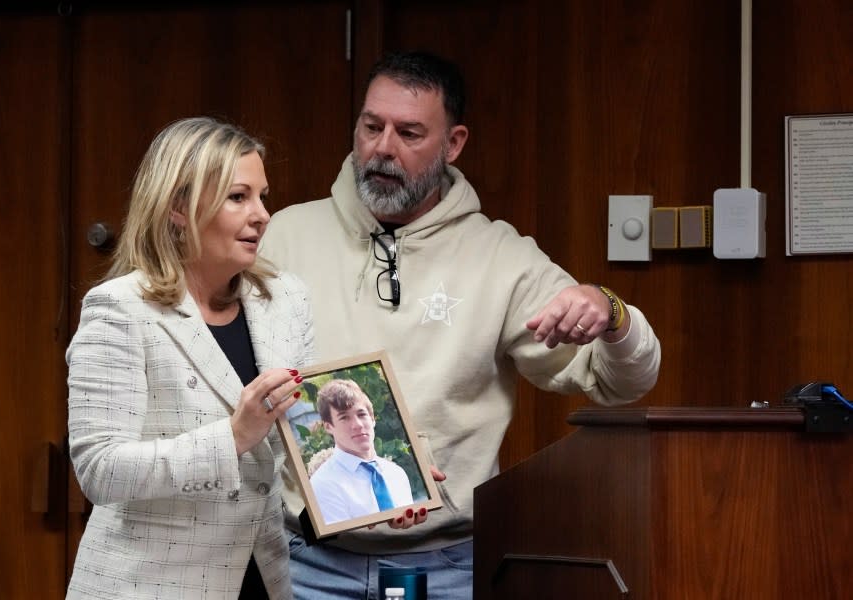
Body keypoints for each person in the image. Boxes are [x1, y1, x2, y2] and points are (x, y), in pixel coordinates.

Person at [260, 51, 661, 600]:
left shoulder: (501, 257)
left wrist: (611, 313)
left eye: (409, 132)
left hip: (446, 567)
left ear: (453, 144)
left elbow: (621, 383)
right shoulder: (284, 235)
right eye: (371, 126)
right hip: (307, 563)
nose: (382, 148)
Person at [65, 116, 313, 599]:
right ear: (178, 207)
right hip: (149, 586)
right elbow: (100, 470)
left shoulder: (286, 299)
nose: (262, 214)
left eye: (263, 196)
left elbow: (302, 435)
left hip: (263, 580)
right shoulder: (120, 308)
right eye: (239, 197)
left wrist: (387, 478)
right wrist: (233, 437)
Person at [308, 379, 414, 524]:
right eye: (344, 417)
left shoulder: (397, 473)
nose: (357, 425)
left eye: (361, 414)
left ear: (372, 419)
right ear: (328, 427)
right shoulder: (323, 483)